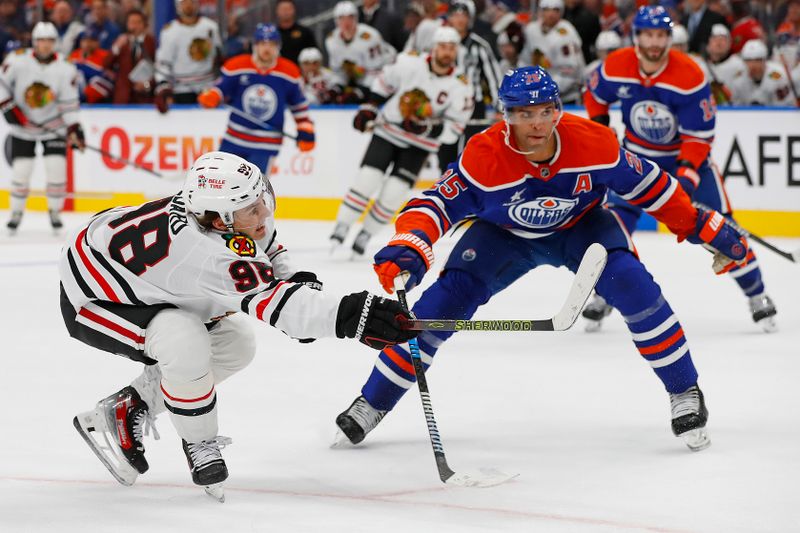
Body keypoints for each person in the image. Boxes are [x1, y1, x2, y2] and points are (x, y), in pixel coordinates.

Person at [332, 66, 751, 453]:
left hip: (581, 228)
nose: (536, 123)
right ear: (506, 115)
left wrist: (700, 225)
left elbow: (654, 188)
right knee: (439, 306)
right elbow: (436, 204)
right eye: (524, 113)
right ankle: (373, 402)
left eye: (545, 111)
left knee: (634, 286)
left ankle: (684, 391)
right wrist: (410, 243)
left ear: (557, 110)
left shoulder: (595, 143)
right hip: (504, 236)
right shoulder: (484, 155)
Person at [64, 151, 416, 501]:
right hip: (95, 298)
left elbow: (267, 249)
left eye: (261, 198)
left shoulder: (228, 215)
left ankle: (128, 406)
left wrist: (295, 279)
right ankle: (199, 441)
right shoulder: (204, 251)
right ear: (220, 222)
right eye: (253, 209)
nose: (264, 211)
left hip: (144, 277)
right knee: (183, 339)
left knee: (236, 342)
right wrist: (356, 315)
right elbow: (282, 309)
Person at [583, 6, 777, 332]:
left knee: (724, 229)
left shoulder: (689, 74)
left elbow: (699, 135)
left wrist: (686, 175)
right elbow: (594, 92)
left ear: (669, 38)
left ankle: (758, 295)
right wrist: (602, 129)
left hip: (685, 161)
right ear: (637, 37)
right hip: (637, 162)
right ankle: (605, 294)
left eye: (661, 35)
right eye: (648, 35)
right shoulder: (616, 65)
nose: (655, 43)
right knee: (612, 228)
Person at [329, 26, 474, 256]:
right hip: (388, 131)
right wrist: (370, 108)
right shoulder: (409, 62)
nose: (447, 52)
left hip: (420, 145)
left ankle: (366, 234)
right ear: (434, 47)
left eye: (451, 48)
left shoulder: (462, 85)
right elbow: (384, 83)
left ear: (457, 52)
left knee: (394, 192)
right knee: (368, 179)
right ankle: (342, 226)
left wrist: (427, 128)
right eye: (443, 47)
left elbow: (454, 130)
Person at [197, 24, 315, 175]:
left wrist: (305, 130)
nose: (267, 49)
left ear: (278, 47)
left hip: (266, 145)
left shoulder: (289, 72)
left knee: (254, 193)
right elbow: (221, 88)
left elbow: (299, 106)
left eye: (272, 44)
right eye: (262, 44)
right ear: (255, 46)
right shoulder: (237, 65)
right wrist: (212, 95)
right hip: (234, 140)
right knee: (220, 184)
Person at [1, 21, 85, 235]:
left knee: (56, 170)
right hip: (24, 128)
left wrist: (74, 126)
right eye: (41, 40)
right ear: (34, 42)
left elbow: (69, 101)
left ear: (55, 42)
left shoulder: (65, 67)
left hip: (52, 127)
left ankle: (54, 212)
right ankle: (16, 213)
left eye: (49, 41)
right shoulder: (17, 60)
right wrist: (7, 105)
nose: (45, 45)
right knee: (22, 171)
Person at [406, 0, 502, 174]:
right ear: (449, 17)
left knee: (473, 153)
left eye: (463, 15)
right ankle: (447, 191)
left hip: (472, 105)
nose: (459, 19)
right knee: (446, 153)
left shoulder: (479, 46)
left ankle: (471, 193)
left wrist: (501, 107)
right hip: (446, 104)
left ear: (470, 18)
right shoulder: (437, 44)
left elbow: (494, 78)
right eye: (455, 14)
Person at [154, 0, 222, 113]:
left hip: (207, 87)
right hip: (181, 89)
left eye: (192, 2)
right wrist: (164, 87)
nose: (189, 5)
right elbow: (163, 63)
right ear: (178, 5)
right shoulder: (169, 31)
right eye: (185, 2)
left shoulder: (211, 27)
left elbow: (219, 57)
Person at [325, 0, 396, 104]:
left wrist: (359, 92)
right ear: (336, 20)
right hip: (359, 78)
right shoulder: (331, 40)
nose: (346, 22)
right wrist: (336, 88)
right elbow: (338, 72)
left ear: (356, 18)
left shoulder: (369, 37)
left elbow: (378, 71)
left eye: (350, 17)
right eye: (342, 18)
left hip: (386, 72)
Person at [522, 0, 585, 105]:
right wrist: (529, 86)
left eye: (555, 10)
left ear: (561, 12)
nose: (551, 14)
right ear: (540, 11)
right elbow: (525, 62)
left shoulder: (566, 33)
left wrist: (546, 90)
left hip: (565, 97)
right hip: (538, 95)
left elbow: (570, 72)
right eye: (546, 9)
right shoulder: (531, 30)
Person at [109, 8, 156, 104]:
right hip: (123, 97)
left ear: (144, 25)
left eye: (138, 22)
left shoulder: (152, 43)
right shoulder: (121, 41)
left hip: (144, 98)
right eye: (131, 22)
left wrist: (146, 85)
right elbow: (106, 64)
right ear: (127, 24)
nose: (134, 26)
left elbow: (159, 70)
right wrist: (116, 47)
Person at [693, 23, 746, 106]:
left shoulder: (739, 65)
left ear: (729, 43)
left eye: (723, 39)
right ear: (708, 43)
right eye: (715, 39)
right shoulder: (699, 66)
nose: (719, 43)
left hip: (734, 111)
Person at [69, 27, 114, 103]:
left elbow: (109, 79)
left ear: (98, 42)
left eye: (92, 40)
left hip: (98, 100)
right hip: (75, 97)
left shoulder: (105, 55)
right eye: (85, 40)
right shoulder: (74, 55)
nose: (87, 43)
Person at [275, 0, 317, 65]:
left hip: (301, 73)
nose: (286, 12)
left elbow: (315, 54)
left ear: (294, 10)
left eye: (288, 9)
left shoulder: (305, 32)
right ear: (277, 11)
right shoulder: (273, 34)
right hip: (279, 73)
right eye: (283, 9)